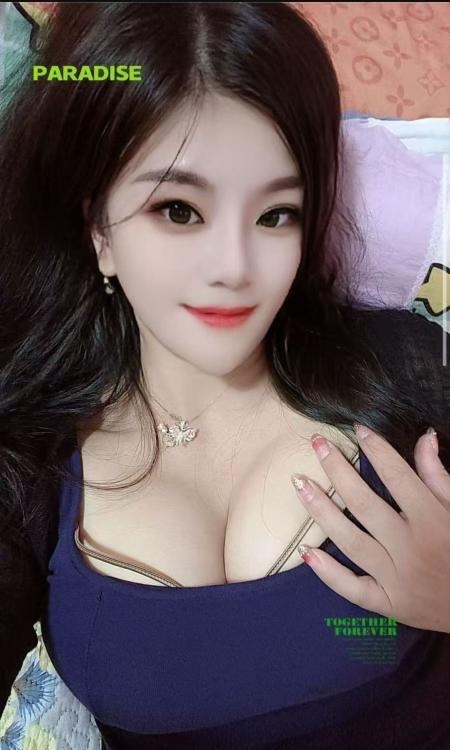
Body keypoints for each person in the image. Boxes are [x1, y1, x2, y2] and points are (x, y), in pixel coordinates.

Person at [0, 3, 449, 748]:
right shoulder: (28, 457)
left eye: (276, 215)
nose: (235, 268)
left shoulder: (409, 369)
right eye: (179, 210)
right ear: (97, 227)